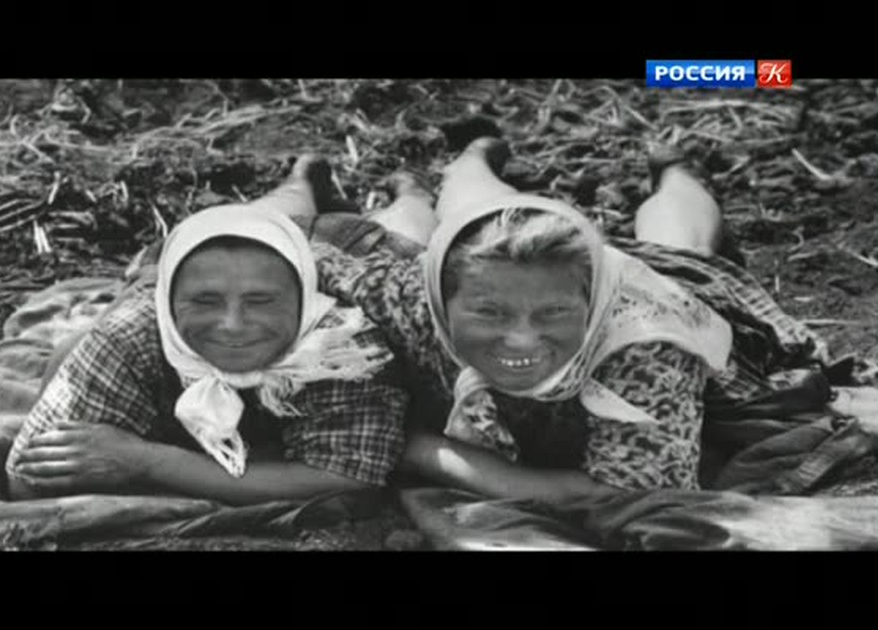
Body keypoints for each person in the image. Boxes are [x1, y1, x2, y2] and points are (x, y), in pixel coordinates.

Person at [308, 137, 831, 504]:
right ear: (438, 300)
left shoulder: (646, 350)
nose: (521, 339)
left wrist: (427, 452)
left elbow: (627, 494)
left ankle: (677, 172)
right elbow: (311, 264)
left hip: (667, 294)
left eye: (554, 313)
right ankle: (466, 163)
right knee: (480, 212)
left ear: (591, 300)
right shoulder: (406, 295)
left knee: (679, 246)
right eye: (489, 312)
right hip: (519, 266)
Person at [5, 171, 411, 504]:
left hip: (347, 249)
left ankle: (414, 190)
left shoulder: (340, 346)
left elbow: (349, 480)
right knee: (279, 204)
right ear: (169, 301)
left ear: (305, 302)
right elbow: (29, 481)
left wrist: (148, 461)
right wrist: (265, 474)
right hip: (225, 246)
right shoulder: (133, 333)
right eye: (204, 302)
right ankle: (302, 177)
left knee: (407, 225)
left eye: (261, 302)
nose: (232, 325)